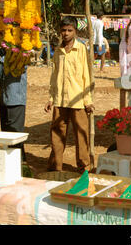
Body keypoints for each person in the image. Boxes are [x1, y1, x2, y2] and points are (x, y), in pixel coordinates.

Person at [45, 16, 94, 173]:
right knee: (57, 136)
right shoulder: (58, 51)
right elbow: (54, 76)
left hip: (78, 100)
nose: (66, 33)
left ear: (75, 31)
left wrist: (88, 100)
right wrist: (51, 98)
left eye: (69, 30)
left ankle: (84, 168)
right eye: (63, 30)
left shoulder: (81, 49)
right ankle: (55, 168)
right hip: (60, 100)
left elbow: (86, 75)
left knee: (81, 135)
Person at [0, 30, 27, 161]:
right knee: (7, 134)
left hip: (16, 99)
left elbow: (20, 68)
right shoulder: (2, 53)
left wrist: (1, 60)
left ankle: (20, 162)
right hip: (4, 99)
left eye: (1, 35)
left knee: (15, 134)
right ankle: (12, 162)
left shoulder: (19, 51)